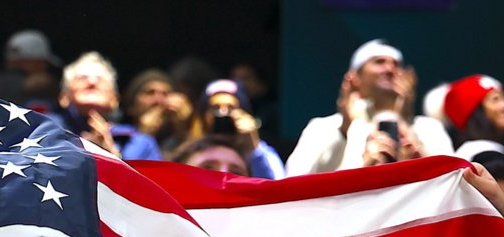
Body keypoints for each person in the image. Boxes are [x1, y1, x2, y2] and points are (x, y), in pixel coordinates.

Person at [284, 39, 452, 176]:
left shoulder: (427, 127)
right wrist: (344, 130)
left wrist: (407, 124)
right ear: (355, 77)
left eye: (396, 64)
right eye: (379, 62)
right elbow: (296, 179)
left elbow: (451, 180)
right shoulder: (324, 127)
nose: (390, 69)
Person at [53, 52, 160, 161]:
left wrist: (112, 156)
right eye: (82, 78)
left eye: (100, 79)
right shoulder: (48, 132)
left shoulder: (141, 144)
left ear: (114, 100)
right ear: (64, 97)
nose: (92, 82)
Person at [189, 80, 284, 179]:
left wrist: (252, 145)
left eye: (231, 108)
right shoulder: (191, 149)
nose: (223, 113)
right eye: (215, 108)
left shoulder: (257, 150)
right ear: (203, 114)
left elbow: (275, 184)